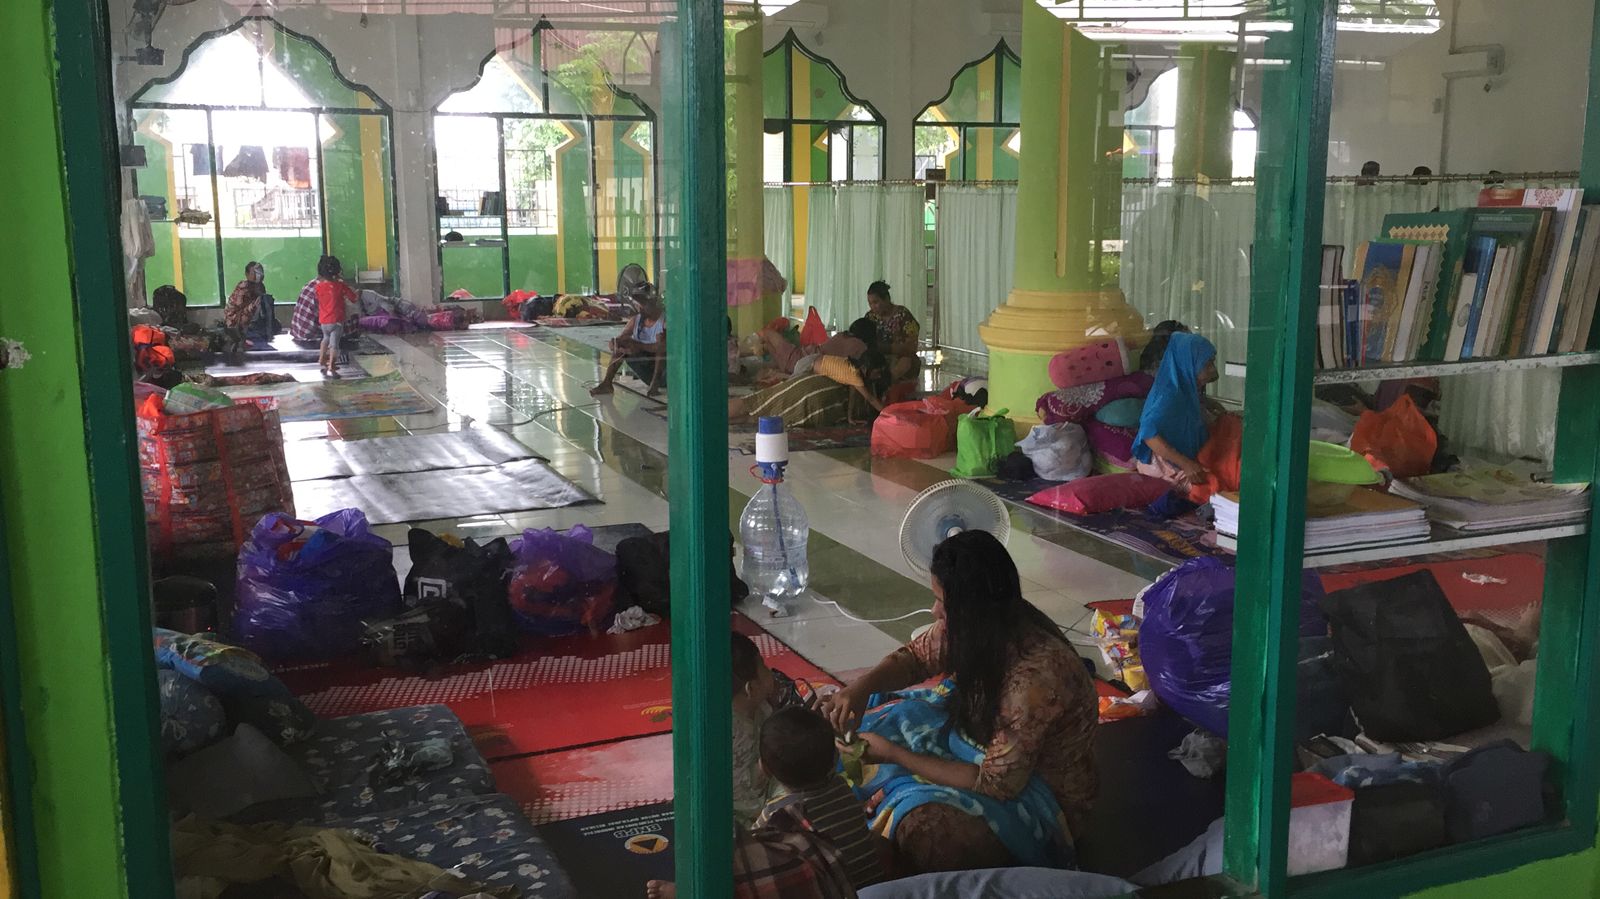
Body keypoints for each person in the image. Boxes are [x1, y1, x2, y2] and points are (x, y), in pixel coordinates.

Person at [819, 531, 1098, 873]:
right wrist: (861, 689)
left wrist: (895, 755)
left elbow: (997, 784)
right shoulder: (979, 624)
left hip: (1039, 794)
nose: (935, 611)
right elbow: (916, 658)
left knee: (929, 834)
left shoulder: (1034, 681)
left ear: (971, 607)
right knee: (833, 729)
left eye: (942, 602)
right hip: (982, 745)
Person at [758, 707, 887, 889]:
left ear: (764, 768)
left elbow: (749, 848)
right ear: (835, 756)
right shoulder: (840, 785)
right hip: (877, 883)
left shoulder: (774, 812)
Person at [1132, 331, 1219, 486]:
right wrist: (1186, 464)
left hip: (1178, 461)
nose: (1213, 370)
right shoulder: (1170, 395)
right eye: (1207, 364)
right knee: (1215, 486)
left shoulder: (1184, 388)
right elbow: (1148, 433)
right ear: (1189, 364)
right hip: (1163, 468)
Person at [729, 350, 889, 428]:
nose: (879, 376)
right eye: (878, 372)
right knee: (760, 416)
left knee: (755, 404)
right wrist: (890, 413)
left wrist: (850, 418)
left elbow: (863, 398)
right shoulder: (856, 380)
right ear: (867, 368)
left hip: (808, 388)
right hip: (815, 404)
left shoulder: (853, 376)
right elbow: (869, 399)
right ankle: (717, 421)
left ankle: (715, 418)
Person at [732, 632, 780, 829]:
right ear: (750, 688)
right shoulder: (734, 732)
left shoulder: (759, 705)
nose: (771, 671)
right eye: (764, 667)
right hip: (746, 809)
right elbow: (740, 788)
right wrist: (767, 765)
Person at [591, 284, 665, 397]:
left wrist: (638, 346)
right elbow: (622, 338)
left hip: (664, 374)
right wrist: (616, 344)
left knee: (661, 344)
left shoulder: (664, 321)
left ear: (652, 302)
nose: (639, 308)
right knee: (623, 343)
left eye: (642, 304)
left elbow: (663, 348)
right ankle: (607, 383)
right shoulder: (636, 320)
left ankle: (655, 384)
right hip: (646, 371)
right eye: (638, 305)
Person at [865, 282, 920, 384]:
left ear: (886, 299)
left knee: (906, 362)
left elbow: (912, 346)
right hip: (877, 358)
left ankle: (887, 382)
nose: (873, 307)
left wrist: (889, 348)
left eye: (876, 302)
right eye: (870, 303)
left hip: (900, 358)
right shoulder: (870, 317)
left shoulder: (903, 315)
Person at [313, 255, 358, 379]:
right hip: (336, 320)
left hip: (324, 321)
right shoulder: (340, 286)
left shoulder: (318, 287)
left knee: (325, 338)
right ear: (338, 271)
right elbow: (353, 298)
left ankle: (322, 358)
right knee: (334, 344)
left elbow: (319, 298)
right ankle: (332, 364)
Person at [223, 261, 270, 351]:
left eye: (259, 271)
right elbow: (238, 307)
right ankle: (241, 338)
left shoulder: (260, 286)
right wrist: (253, 306)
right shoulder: (243, 286)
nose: (258, 274)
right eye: (254, 272)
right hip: (235, 319)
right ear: (247, 274)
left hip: (248, 316)